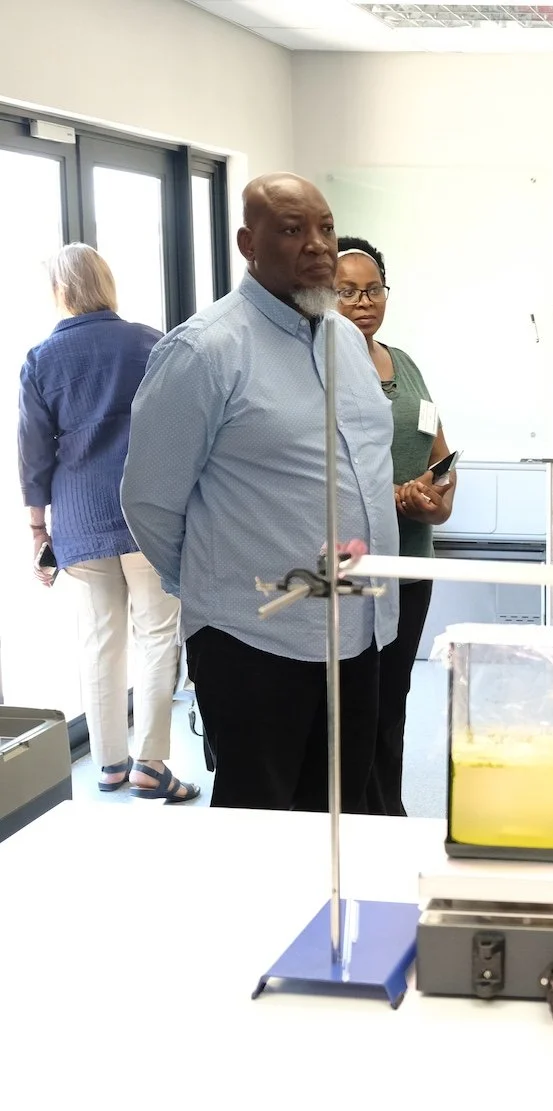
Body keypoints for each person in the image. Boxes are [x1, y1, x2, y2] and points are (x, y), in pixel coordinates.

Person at [121, 173, 398, 813]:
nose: (318, 246)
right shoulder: (205, 351)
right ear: (249, 242)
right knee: (260, 825)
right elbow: (150, 502)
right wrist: (221, 586)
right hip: (255, 640)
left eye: (325, 228)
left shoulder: (345, 344)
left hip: (356, 628)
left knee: (340, 817)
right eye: (292, 230)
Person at [17, 244, 198, 802]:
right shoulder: (151, 343)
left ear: (61, 292)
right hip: (148, 514)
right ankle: (151, 764)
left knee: (99, 643)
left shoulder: (42, 358)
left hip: (80, 519)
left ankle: (110, 765)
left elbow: (32, 451)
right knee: (156, 635)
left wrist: (38, 529)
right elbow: (182, 427)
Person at [335, 236, 455, 817]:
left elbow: (438, 449)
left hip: (412, 562)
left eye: (373, 288)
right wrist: (391, 498)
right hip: (352, 564)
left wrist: (435, 497)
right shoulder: (320, 368)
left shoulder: (403, 363)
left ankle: (387, 807)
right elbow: (319, 473)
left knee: (393, 696)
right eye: (348, 292)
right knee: (356, 698)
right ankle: (360, 815)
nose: (364, 302)